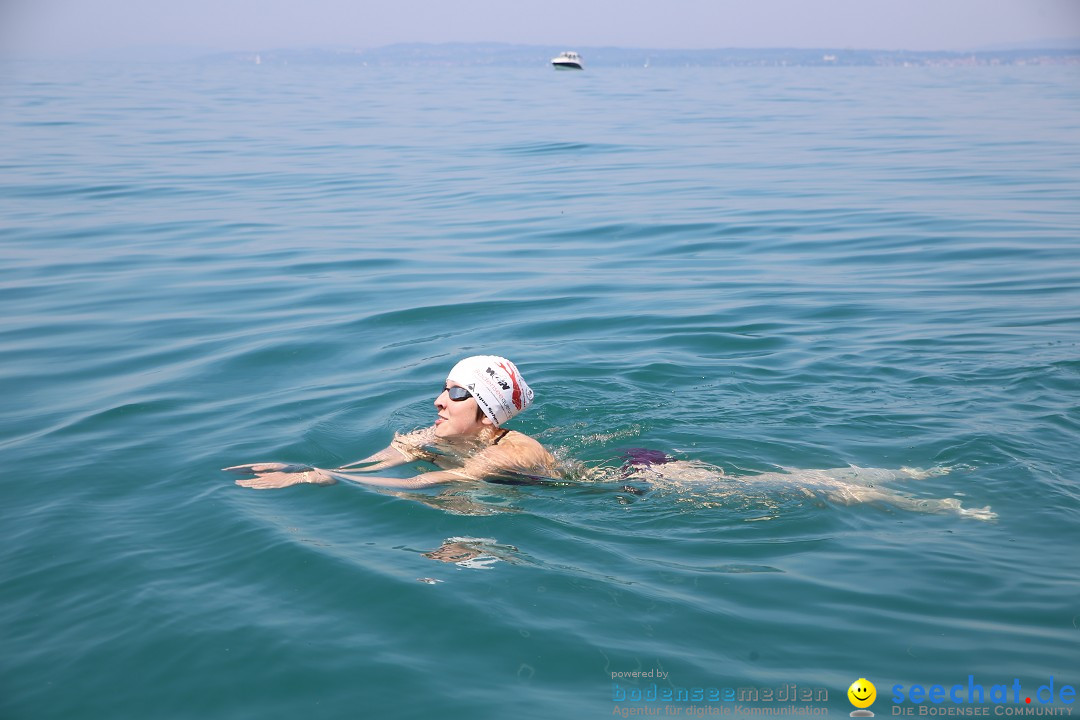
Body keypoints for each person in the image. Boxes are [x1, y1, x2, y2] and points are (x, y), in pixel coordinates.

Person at [225, 355, 558, 490]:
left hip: (571, 493)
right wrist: (297, 468)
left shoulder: (505, 454)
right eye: (444, 388)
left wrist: (325, 478)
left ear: (487, 414)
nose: (438, 400)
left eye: (457, 393)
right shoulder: (439, 433)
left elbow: (420, 483)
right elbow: (380, 461)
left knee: (463, 505)